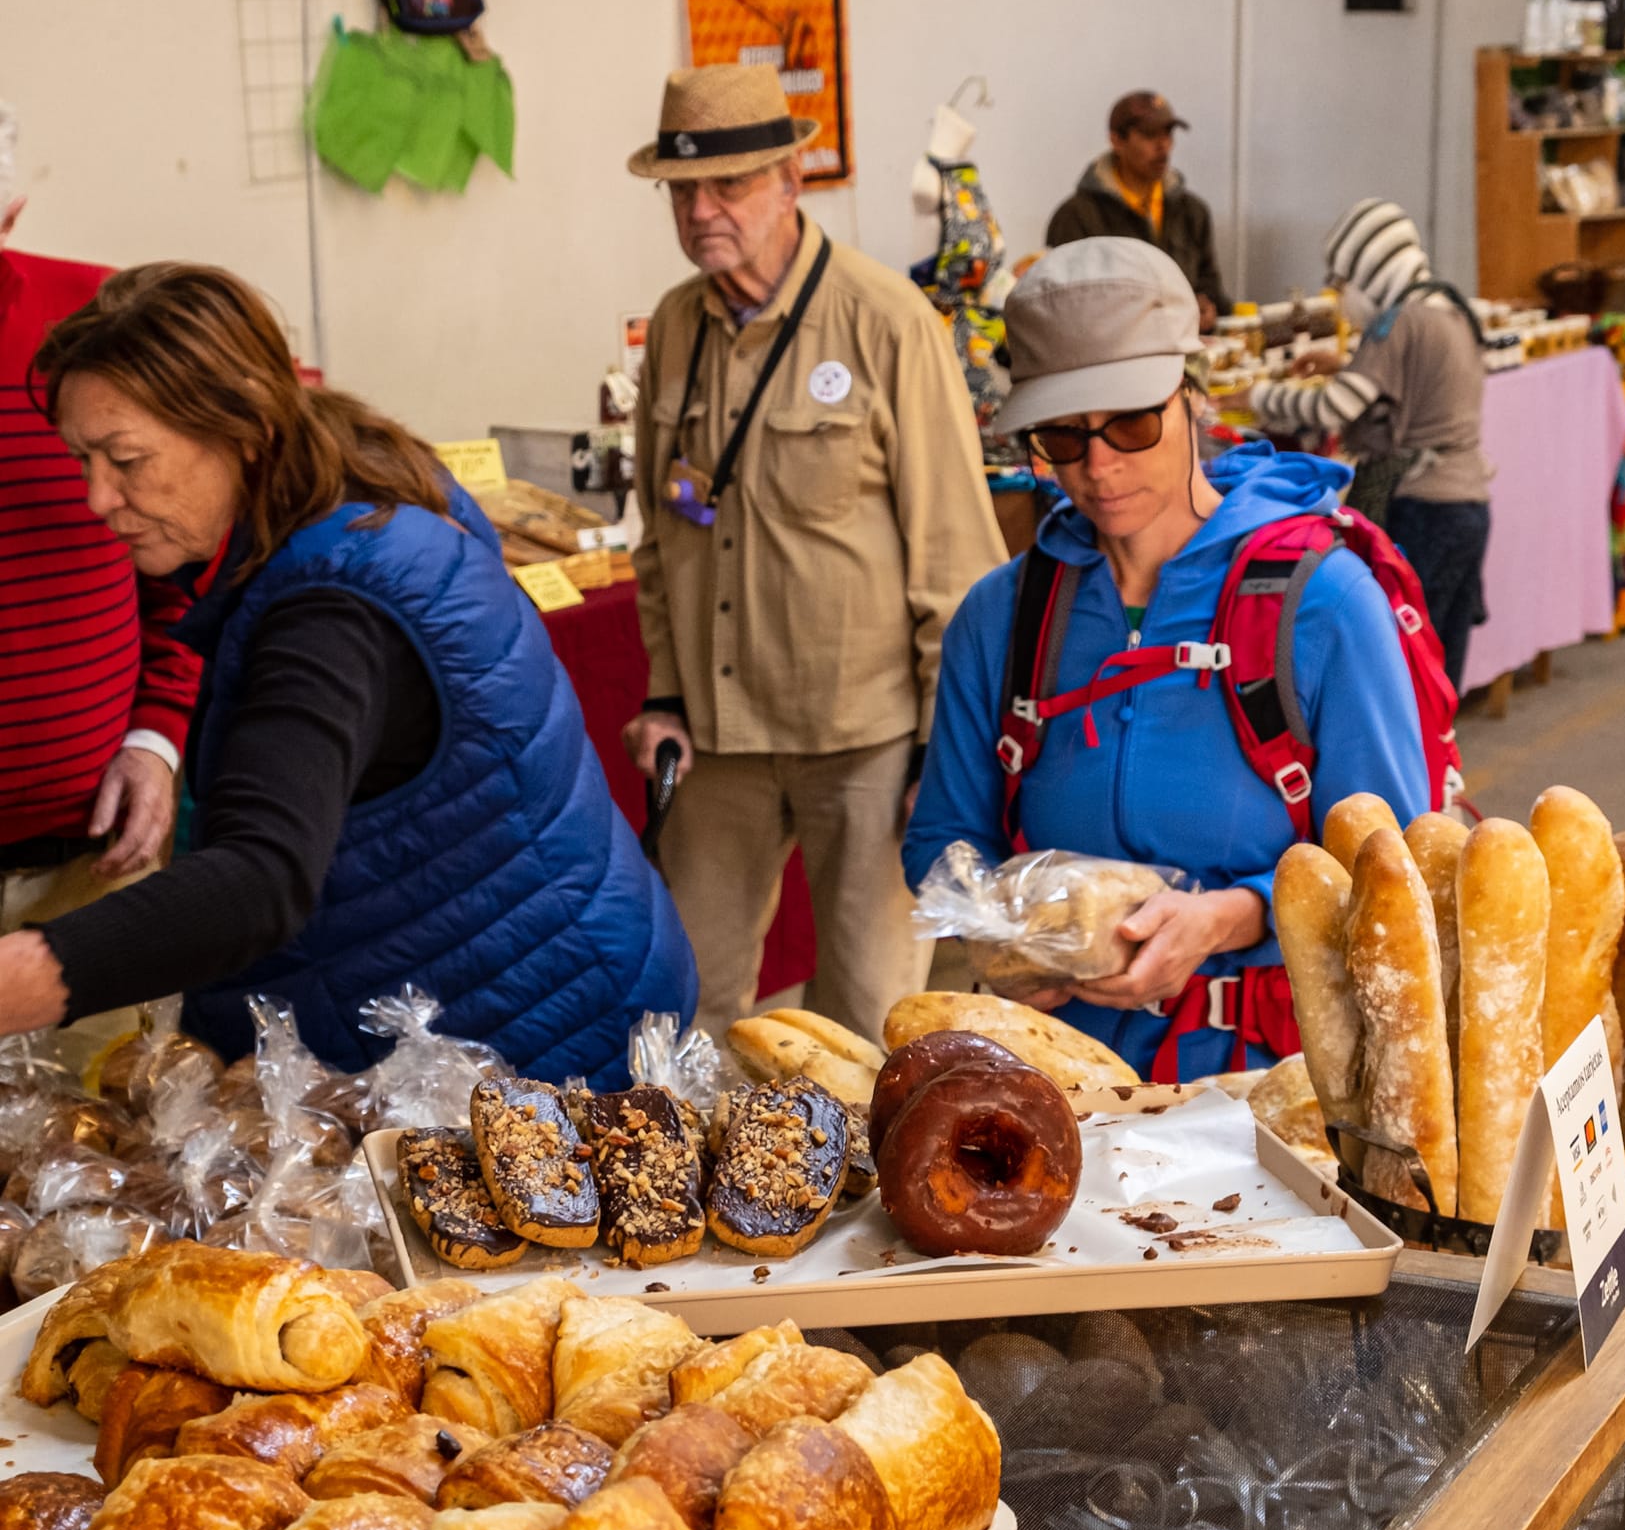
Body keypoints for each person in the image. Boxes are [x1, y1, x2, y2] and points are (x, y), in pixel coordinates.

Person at [0, 263, 694, 1083]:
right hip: (533, 971)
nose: (95, 498)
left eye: (125, 460)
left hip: (531, 1038)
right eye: (82, 459)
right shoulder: (348, 473)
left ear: (242, 431)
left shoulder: (329, 608)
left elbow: (260, 881)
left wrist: (34, 973)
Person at [906, 239, 1428, 1083]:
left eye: (1131, 423)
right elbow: (943, 840)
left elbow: (1393, 869)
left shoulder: (1324, 606)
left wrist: (1230, 917)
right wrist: (999, 934)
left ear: (1193, 400)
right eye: (1063, 437)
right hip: (1055, 1083)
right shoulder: (1000, 618)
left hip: (1273, 1088)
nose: (1100, 465)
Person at [621, 63, 1005, 1045]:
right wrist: (664, 692)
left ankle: (855, 1202)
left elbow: (956, 563)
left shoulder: (886, 322)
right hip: (718, 738)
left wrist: (943, 753)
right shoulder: (673, 328)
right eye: (681, 191)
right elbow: (660, 537)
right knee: (678, 1008)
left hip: (866, 741)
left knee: (868, 1022)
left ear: (792, 181)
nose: (702, 211)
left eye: (729, 185)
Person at [0, 133, 202, 1065]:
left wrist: (157, 736)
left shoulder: (94, 323)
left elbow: (189, 560)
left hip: (90, 865)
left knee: (103, 1159)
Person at [1249, 199, 1491, 692]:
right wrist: (1347, 365)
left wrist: (1253, 396)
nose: (1340, 295)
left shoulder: (1399, 320)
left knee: (1404, 664)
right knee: (1439, 670)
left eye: (1343, 280)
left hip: (1426, 508)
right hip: (1468, 506)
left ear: (1370, 270)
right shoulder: (1450, 308)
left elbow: (1333, 409)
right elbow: (1416, 385)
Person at [1046, 92, 1226, 334]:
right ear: (1116, 141)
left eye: (1168, 134)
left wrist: (1206, 308)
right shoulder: (1076, 216)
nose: (1163, 145)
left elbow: (1211, 288)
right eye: (1149, 135)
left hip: (1187, 353)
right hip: (1112, 363)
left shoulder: (1193, 211)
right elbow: (1063, 310)